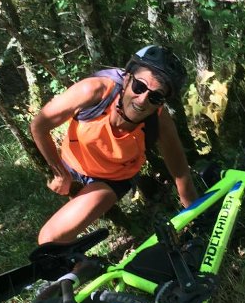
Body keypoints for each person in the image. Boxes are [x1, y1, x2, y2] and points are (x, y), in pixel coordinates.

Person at [29, 45, 199, 246]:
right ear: (127, 79)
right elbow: (40, 125)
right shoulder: (93, 91)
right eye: (139, 86)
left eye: (155, 96)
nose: (142, 100)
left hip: (111, 179)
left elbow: (179, 170)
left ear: (161, 102)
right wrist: (59, 173)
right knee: (54, 241)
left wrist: (195, 214)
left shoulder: (160, 121)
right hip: (71, 164)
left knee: (49, 239)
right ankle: (74, 266)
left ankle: (79, 269)